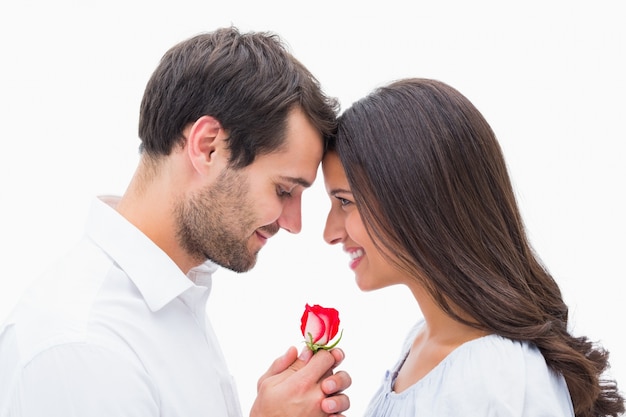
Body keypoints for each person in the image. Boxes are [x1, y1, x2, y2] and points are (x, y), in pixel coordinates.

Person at [0, 27, 351, 417]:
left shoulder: (174, 298)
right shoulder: (84, 344)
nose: (294, 223)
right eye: (285, 190)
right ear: (208, 147)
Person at [322, 78, 624, 416]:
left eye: (345, 202)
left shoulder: (493, 372)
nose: (329, 232)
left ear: (416, 198)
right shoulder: (422, 343)